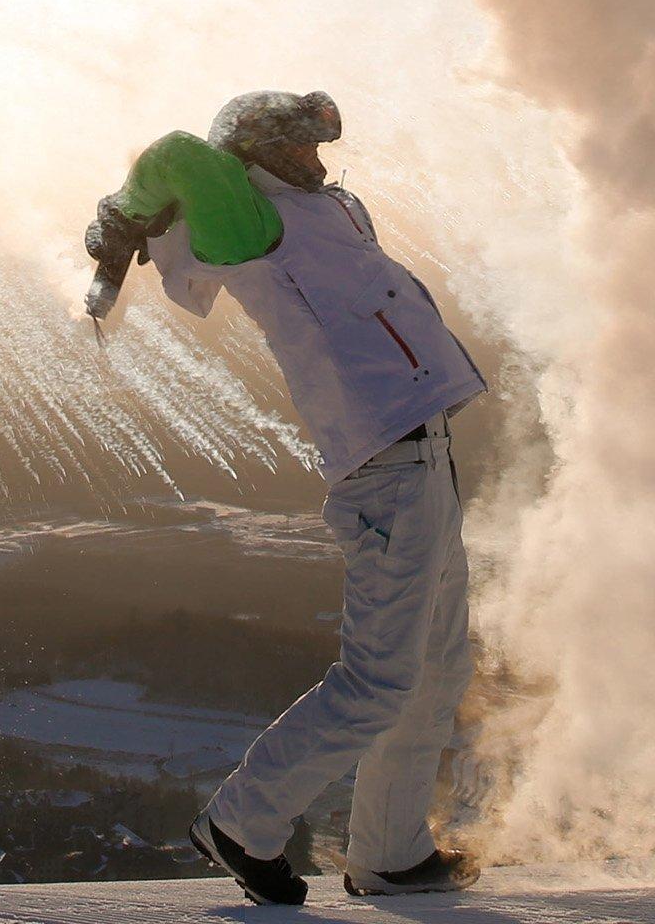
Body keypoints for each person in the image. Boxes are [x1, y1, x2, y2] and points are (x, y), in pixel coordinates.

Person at [84, 90, 486, 901]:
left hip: (422, 453)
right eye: (298, 147)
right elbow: (178, 152)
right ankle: (242, 823)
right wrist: (121, 214)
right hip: (387, 464)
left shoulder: (315, 206)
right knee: (379, 681)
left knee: (436, 669)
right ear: (257, 154)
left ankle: (389, 851)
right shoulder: (250, 221)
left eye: (316, 145)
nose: (317, 159)